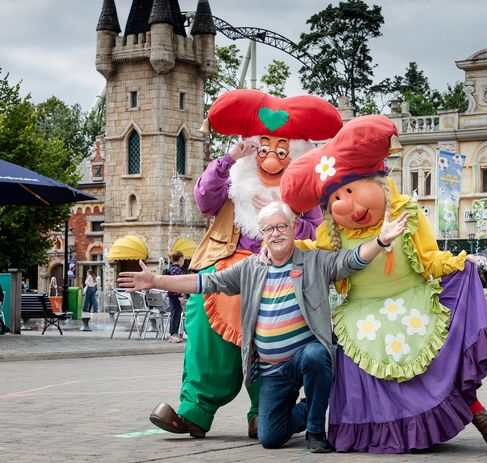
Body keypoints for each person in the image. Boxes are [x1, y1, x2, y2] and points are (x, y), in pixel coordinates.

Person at [281, 115, 487, 453]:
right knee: (361, 371)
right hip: (362, 318)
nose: (350, 204)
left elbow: (429, 259)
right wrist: (281, 242)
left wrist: (458, 262)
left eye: (353, 190)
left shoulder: (406, 216)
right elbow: (311, 256)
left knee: (438, 366)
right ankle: (477, 425)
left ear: (379, 183)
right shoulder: (330, 236)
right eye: (338, 197)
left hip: (412, 306)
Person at [119, 201, 409, 453]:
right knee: (270, 438)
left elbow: (351, 260)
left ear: (293, 228)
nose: (276, 233)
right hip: (271, 371)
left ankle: (316, 430)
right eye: (269, 229)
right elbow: (204, 283)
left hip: (303, 359)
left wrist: (381, 241)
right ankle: (309, 406)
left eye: (281, 226)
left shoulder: (313, 261)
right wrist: (157, 281)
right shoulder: (250, 269)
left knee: (316, 355)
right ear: (262, 235)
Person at [147, 89, 341, 439]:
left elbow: (316, 231)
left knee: (274, 336)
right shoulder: (233, 178)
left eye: (281, 149)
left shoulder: (301, 193)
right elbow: (204, 199)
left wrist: (287, 213)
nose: (270, 157)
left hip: (274, 273)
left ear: (293, 153)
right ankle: (194, 411)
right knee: (206, 333)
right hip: (223, 266)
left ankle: (264, 412)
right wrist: (228, 159)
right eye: (263, 147)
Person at [165, 251, 186, 343]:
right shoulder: (177, 270)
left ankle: (173, 333)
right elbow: (177, 284)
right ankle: (173, 334)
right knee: (176, 314)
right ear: (180, 259)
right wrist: (180, 295)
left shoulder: (171, 269)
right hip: (175, 295)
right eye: (183, 260)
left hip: (171, 294)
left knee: (175, 313)